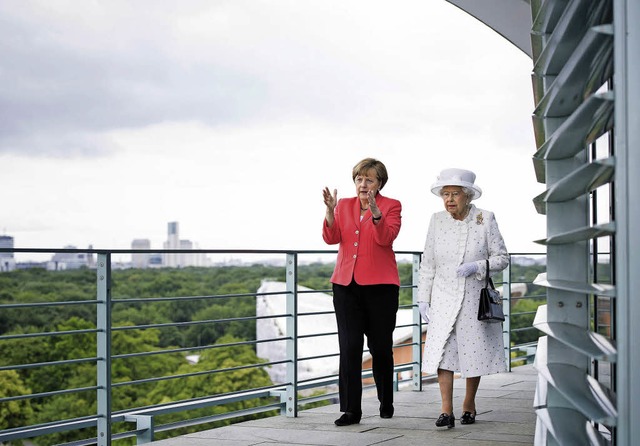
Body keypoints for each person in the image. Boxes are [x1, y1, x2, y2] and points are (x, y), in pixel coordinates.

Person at [417, 168, 508, 428]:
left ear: (467, 195)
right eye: (445, 194)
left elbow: (502, 258)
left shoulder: (485, 218)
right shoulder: (436, 220)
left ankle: (469, 403)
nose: (449, 200)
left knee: (473, 352)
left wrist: (477, 266)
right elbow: (428, 263)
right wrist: (423, 298)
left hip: (472, 296)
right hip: (443, 297)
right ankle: (446, 410)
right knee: (443, 352)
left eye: (454, 194)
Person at [322, 157, 402, 426]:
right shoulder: (343, 205)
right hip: (345, 286)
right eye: (359, 179)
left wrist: (376, 214)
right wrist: (330, 213)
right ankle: (351, 410)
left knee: (380, 347)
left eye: (369, 179)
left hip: (381, 287)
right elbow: (332, 238)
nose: (363, 184)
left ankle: (385, 401)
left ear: (379, 183)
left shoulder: (392, 206)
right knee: (350, 347)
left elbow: (386, 239)